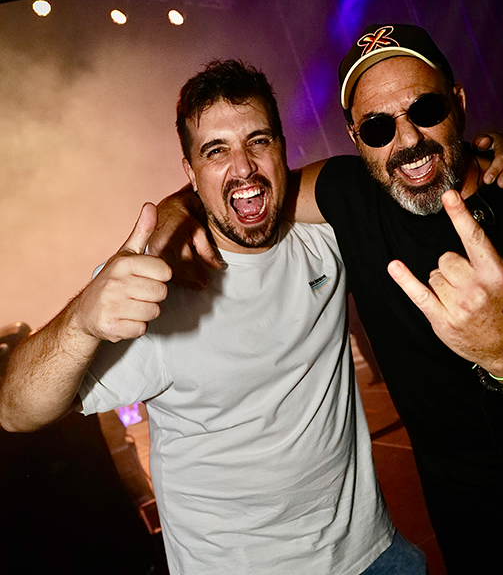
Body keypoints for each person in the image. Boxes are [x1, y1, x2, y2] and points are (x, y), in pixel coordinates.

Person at [150, 25, 503, 574]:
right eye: (378, 126)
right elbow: (245, 182)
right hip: (458, 508)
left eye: (426, 109)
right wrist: (176, 208)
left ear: (458, 103)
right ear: (356, 136)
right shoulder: (347, 192)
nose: (407, 140)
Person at [0, 60, 428, 574]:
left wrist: (496, 154)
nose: (243, 167)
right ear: (190, 172)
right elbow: (15, 411)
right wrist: (81, 322)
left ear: (282, 147)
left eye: (258, 141)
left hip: (372, 554)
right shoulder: (155, 287)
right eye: (216, 151)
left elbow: (387, 174)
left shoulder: (322, 237)